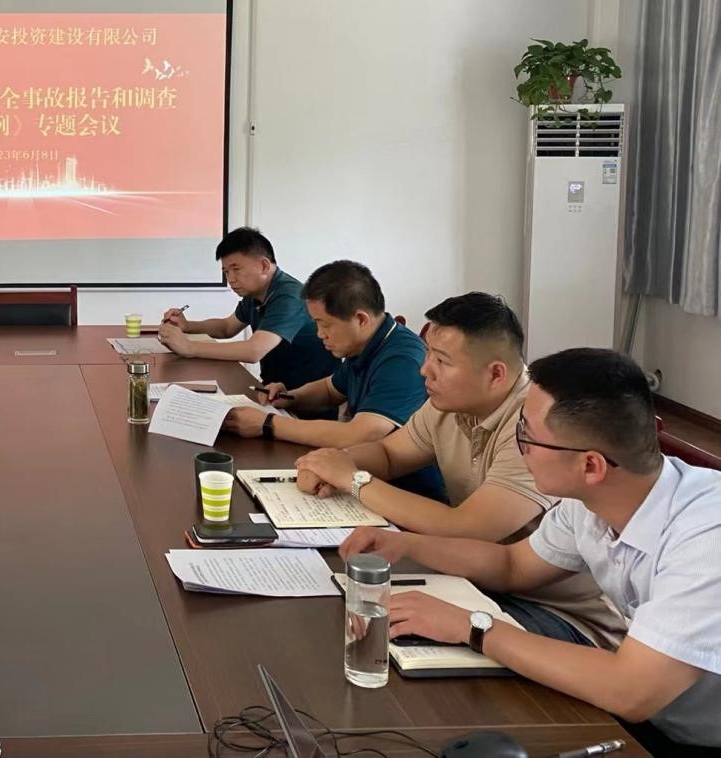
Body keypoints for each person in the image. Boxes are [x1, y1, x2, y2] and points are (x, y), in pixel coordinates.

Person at [341, 349, 721, 750]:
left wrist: (471, 626)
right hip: (657, 713)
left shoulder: (706, 536)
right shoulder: (593, 501)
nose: (518, 445)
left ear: (591, 466)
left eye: (527, 435)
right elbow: (513, 564)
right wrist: (405, 543)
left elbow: (630, 690)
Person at [296, 293, 623, 647]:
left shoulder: (537, 428)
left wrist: (353, 479)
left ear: (495, 374)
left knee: (382, 636)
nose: (425, 370)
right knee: (355, 612)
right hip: (480, 581)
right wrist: (333, 463)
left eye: (441, 360)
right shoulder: (449, 404)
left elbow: (466, 528)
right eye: (428, 355)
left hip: (557, 614)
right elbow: (389, 453)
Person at [223, 260, 444, 499]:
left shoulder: (402, 359)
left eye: (325, 325)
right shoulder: (366, 343)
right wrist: (290, 397)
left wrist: (267, 424)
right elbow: (330, 389)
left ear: (361, 319)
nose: (320, 334)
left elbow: (360, 435)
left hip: (406, 491)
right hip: (361, 477)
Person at [157, 228, 336, 405]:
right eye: (226, 271)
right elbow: (227, 327)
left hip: (307, 401)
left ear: (264, 266)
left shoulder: (289, 296)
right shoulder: (255, 293)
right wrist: (188, 326)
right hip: (274, 393)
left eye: (236, 269)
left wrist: (189, 347)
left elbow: (254, 350)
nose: (231, 279)